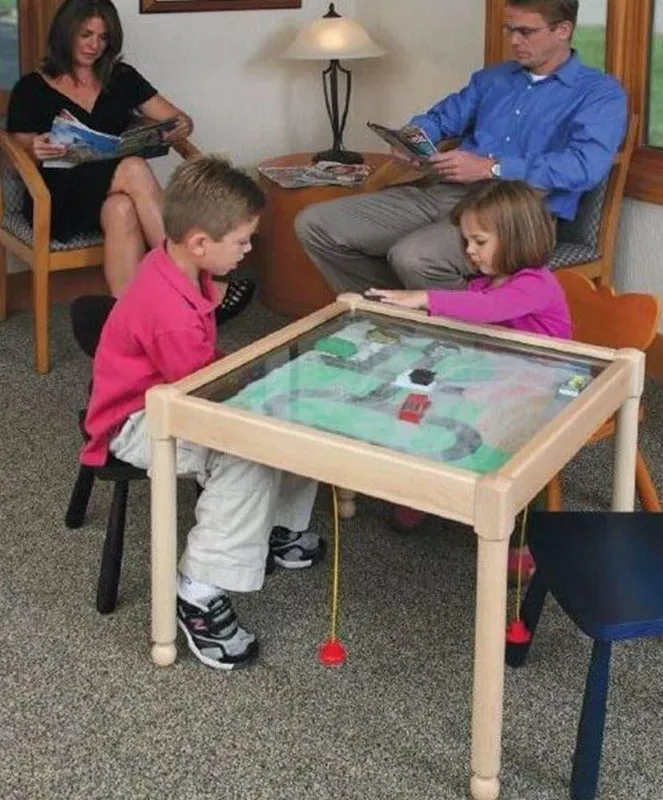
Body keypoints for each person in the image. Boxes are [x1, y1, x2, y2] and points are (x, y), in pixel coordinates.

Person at [80, 156, 325, 670]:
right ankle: (198, 587)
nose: (248, 250)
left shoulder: (177, 266)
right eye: (241, 242)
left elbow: (199, 375)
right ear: (198, 244)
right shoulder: (167, 310)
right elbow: (199, 396)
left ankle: (278, 526)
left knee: (291, 412)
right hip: (134, 421)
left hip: (171, 391)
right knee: (250, 451)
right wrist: (258, 401)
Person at [296, 0, 627, 297]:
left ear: (563, 30)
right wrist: (415, 137)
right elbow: (441, 118)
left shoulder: (600, 94)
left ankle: (464, 341)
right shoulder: (493, 79)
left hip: (520, 213)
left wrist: (490, 167)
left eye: (526, 31)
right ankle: (390, 316)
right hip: (445, 192)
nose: (514, 40)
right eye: (510, 29)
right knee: (316, 224)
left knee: (414, 257)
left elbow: (584, 167)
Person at [367, 180, 571, 575]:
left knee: (519, 446)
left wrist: (425, 297)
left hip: (541, 385)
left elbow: (491, 309)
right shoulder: (483, 280)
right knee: (423, 404)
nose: (469, 252)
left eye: (478, 242)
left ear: (516, 236)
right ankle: (428, 489)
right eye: (466, 242)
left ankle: (523, 538)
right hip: (497, 373)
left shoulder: (536, 282)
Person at [6, 0, 253, 323]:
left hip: (112, 194)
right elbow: (13, 155)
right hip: (59, 196)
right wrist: (32, 149)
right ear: (66, 34)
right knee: (134, 168)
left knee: (121, 208)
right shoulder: (32, 87)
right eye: (86, 35)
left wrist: (179, 125)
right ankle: (195, 284)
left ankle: (131, 322)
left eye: (103, 37)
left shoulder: (121, 77)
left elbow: (178, 120)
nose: (95, 45)